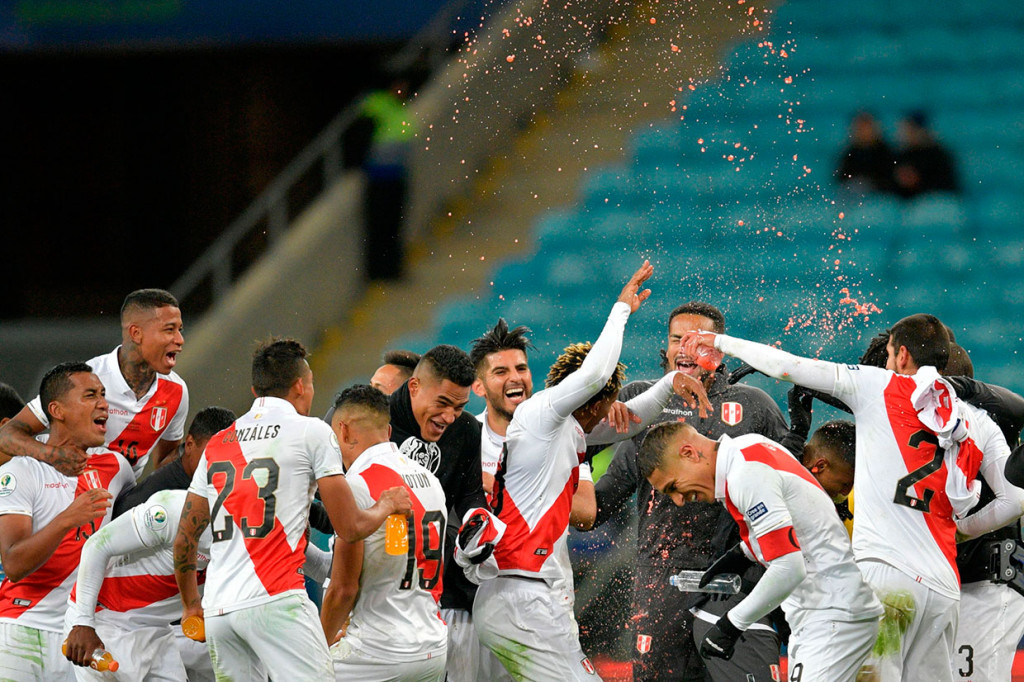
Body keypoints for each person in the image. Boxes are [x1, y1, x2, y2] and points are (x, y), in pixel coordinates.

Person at [680, 313, 1024, 682]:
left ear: (902, 355)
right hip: (942, 588)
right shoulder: (977, 421)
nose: (887, 364)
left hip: (888, 578)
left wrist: (718, 342)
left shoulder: (880, 386)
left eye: (890, 356)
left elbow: (787, 366)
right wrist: (959, 532)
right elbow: (1014, 500)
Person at [459, 261, 713, 681]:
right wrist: (621, 309)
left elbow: (631, 419)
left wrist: (670, 385)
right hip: (518, 595)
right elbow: (596, 374)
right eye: (501, 371)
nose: (608, 410)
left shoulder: (562, 432)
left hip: (523, 596)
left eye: (520, 367)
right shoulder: (540, 415)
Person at [173, 338, 412, 681]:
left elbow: (185, 539)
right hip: (276, 601)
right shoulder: (311, 431)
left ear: (257, 389)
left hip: (220, 611)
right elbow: (350, 527)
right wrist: (387, 504)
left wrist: (190, 604)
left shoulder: (219, 443)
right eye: (311, 384)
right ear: (301, 385)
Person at [585, 301, 790, 682]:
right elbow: (597, 504)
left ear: (720, 351)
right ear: (665, 348)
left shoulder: (754, 405)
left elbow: (794, 485)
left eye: (698, 341)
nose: (685, 349)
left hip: (738, 583)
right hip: (660, 585)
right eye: (678, 339)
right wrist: (577, 455)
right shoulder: (640, 401)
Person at [637, 421, 884, 681]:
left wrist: (731, 625)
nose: (678, 500)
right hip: (827, 614)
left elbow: (790, 567)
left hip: (832, 616)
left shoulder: (745, 474)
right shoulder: (746, 448)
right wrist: (742, 554)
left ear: (689, 453)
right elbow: (798, 525)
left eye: (674, 486)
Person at [62, 406, 236, 682]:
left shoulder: (250, 513)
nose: (218, 468)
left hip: (158, 630)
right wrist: (83, 621)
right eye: (211, 456)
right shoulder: (171, 505)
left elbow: (311, 559)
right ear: (190, 445)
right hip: (107, 624)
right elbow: (97, 546)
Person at [0, 362, 135, 681]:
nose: (104, 403)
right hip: (22, 631)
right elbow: (14, 563)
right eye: (90, 395)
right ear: (56, 410)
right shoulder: (20, 471)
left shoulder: (117, 467)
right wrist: (66, 520)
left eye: (103, 395)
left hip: (82, 636)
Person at [322, 385, 448, 681]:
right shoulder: (430, 480)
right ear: (388, 432)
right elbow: (395, 553)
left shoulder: (355, 485)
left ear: (343, 430)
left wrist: (317, 645)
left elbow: (344, 589)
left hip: (378, 653)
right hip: (432, 649)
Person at [0, 289, 188, 478]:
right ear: (136, 333)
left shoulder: (177, 391)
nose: (180, 340)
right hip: (69, 489)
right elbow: (6, 435)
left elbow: (164, 466)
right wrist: (53, 456)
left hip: (124, 499)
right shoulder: (87, 378)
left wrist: (196, 452)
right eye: (169, 330)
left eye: (179, 330)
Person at [386, 343, 491, 679]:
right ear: (414, 387)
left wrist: (478, 521)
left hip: (438, 590)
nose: (449, 417)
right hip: (378, 588)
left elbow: (471, 493)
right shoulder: (376, 422)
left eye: (459, 407)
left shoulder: (467, 431)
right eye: (443, 403)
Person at [892, 110, 960, 199]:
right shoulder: (902, 155)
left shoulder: (939, 155)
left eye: (911, 130)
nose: (907, 134)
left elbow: (945, 185)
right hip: (912, 205)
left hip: (937, 201)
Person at [834, 109, 895, 193]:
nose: (864, 132)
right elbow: (840, 178)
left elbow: (891, 179)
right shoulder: (851, 153)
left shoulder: (885, 152)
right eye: (860, 128)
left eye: (866, 127)